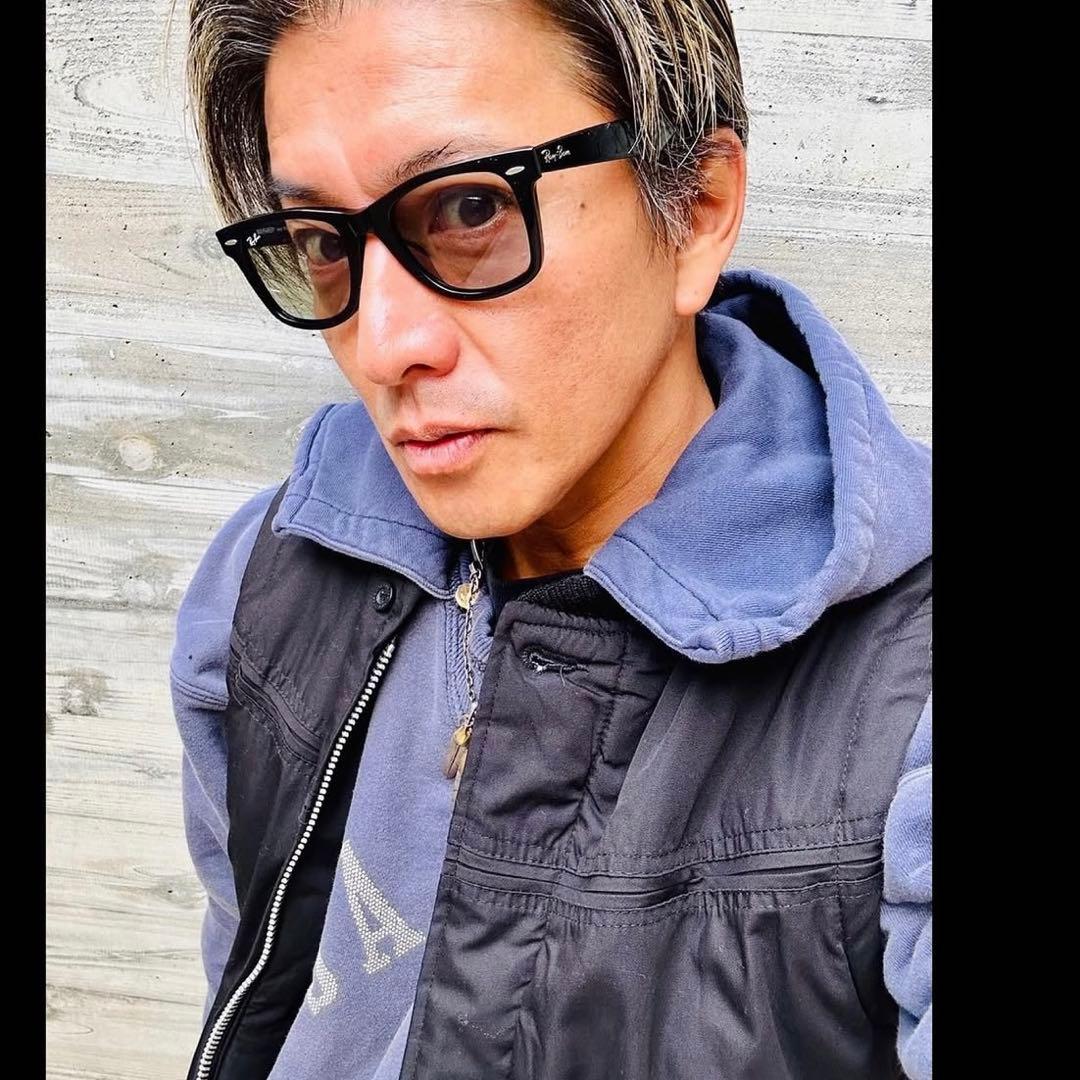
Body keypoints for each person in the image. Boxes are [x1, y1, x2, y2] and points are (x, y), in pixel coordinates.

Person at [171, 1, 931, 1078]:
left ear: (697, 208)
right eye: (322, 242)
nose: (384, 344)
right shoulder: (267, 579)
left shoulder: (907, 690)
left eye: (470, 206)